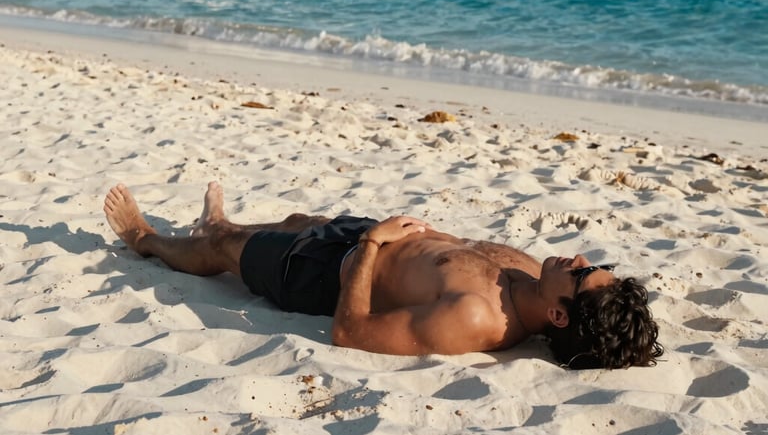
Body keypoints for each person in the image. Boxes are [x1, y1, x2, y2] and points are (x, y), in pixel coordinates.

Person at [103, 182, 663, 368]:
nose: (583, 260)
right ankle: (219, 222)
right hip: (364, 237)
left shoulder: (476, 319)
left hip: (324, 273)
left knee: (228, 252)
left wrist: (373, 243)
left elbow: (350, 333)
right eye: (600, 267)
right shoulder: (532, 273)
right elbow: (459, 253)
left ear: (560, 313)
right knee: (300, 218)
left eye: (586, 275)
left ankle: (144, 240)